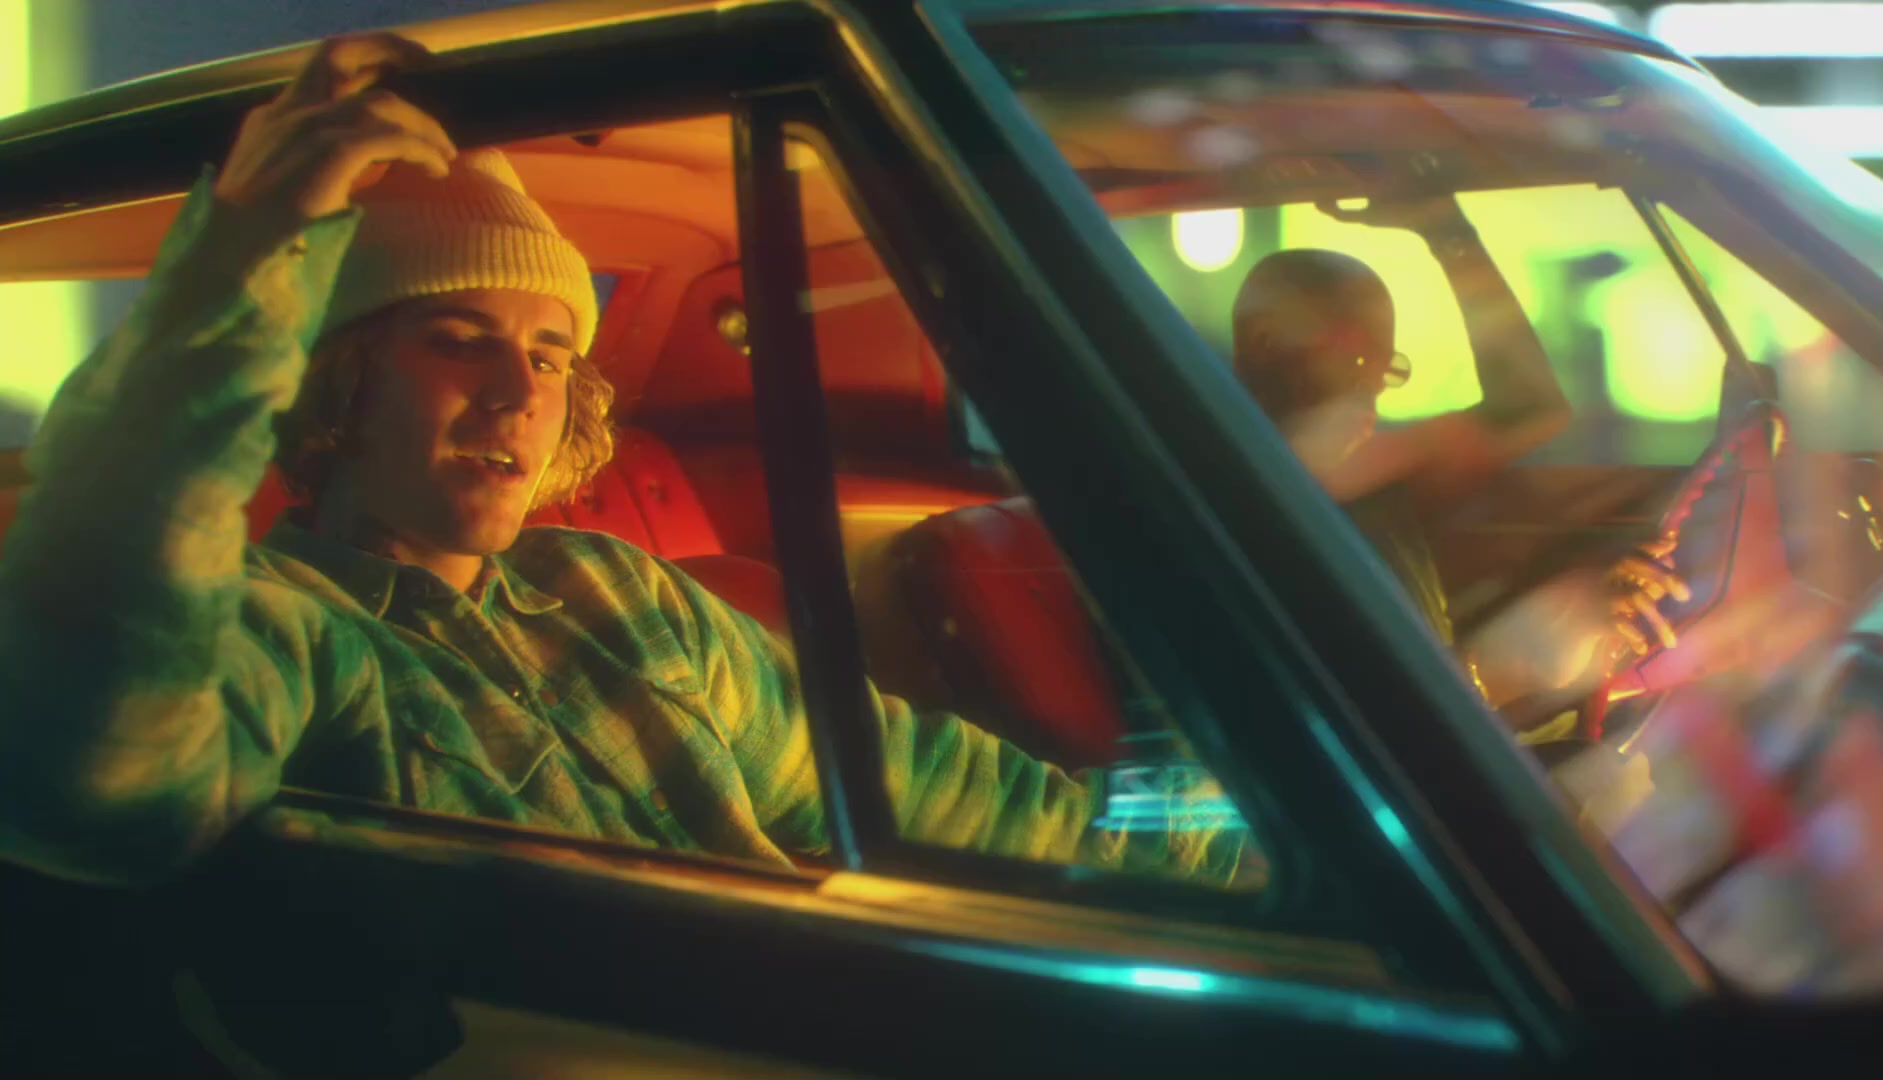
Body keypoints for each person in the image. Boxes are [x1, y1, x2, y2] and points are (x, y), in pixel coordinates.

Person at [0, 35, 1251, 889]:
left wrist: (1257, 860)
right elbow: (102, 774)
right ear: (331, 386)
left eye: (551, 354)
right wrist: (245, 257)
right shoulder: (288, 629)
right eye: (458, 341)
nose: (519, 392)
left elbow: (937, 789)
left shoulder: (615, 587)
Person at [1232, 198, 1689, 719]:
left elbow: (1529, 408)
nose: (1374, 390)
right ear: (1266, 341)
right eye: (1357, 357)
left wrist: (1445, 230)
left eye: (1388, 368)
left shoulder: (1366, 485)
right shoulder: (1229, 504)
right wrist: (1509, 663)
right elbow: (1380, 718)